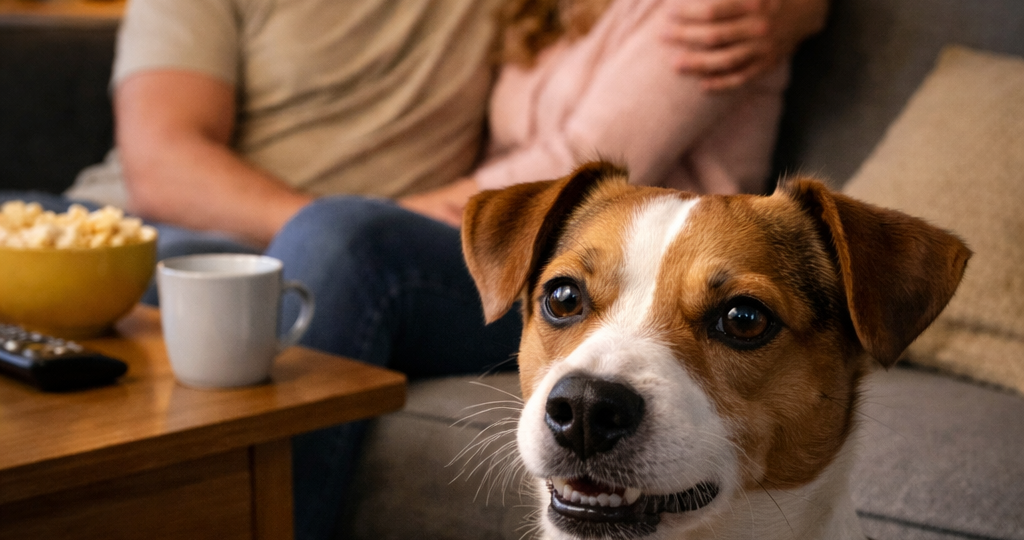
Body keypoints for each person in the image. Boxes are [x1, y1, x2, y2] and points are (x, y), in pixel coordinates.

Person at [1, 0, 828, 538]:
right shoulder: (534, 13)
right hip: (479, 237)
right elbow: (160, 155)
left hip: (467, 244)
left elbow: (581, 174)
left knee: (341, 244)